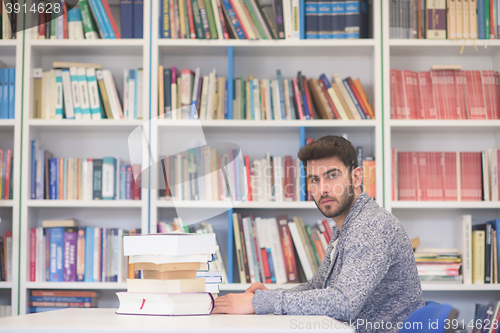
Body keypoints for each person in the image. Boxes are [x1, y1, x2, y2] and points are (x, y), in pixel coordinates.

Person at [212, 135, 425, 332]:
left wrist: (259, 303)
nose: (323, 189)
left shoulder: (371, 226)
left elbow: (344, 303)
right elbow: (318, 286)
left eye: (332, 176)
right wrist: (269, 297)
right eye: (314, 180)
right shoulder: (346, 226)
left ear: (357, 177)